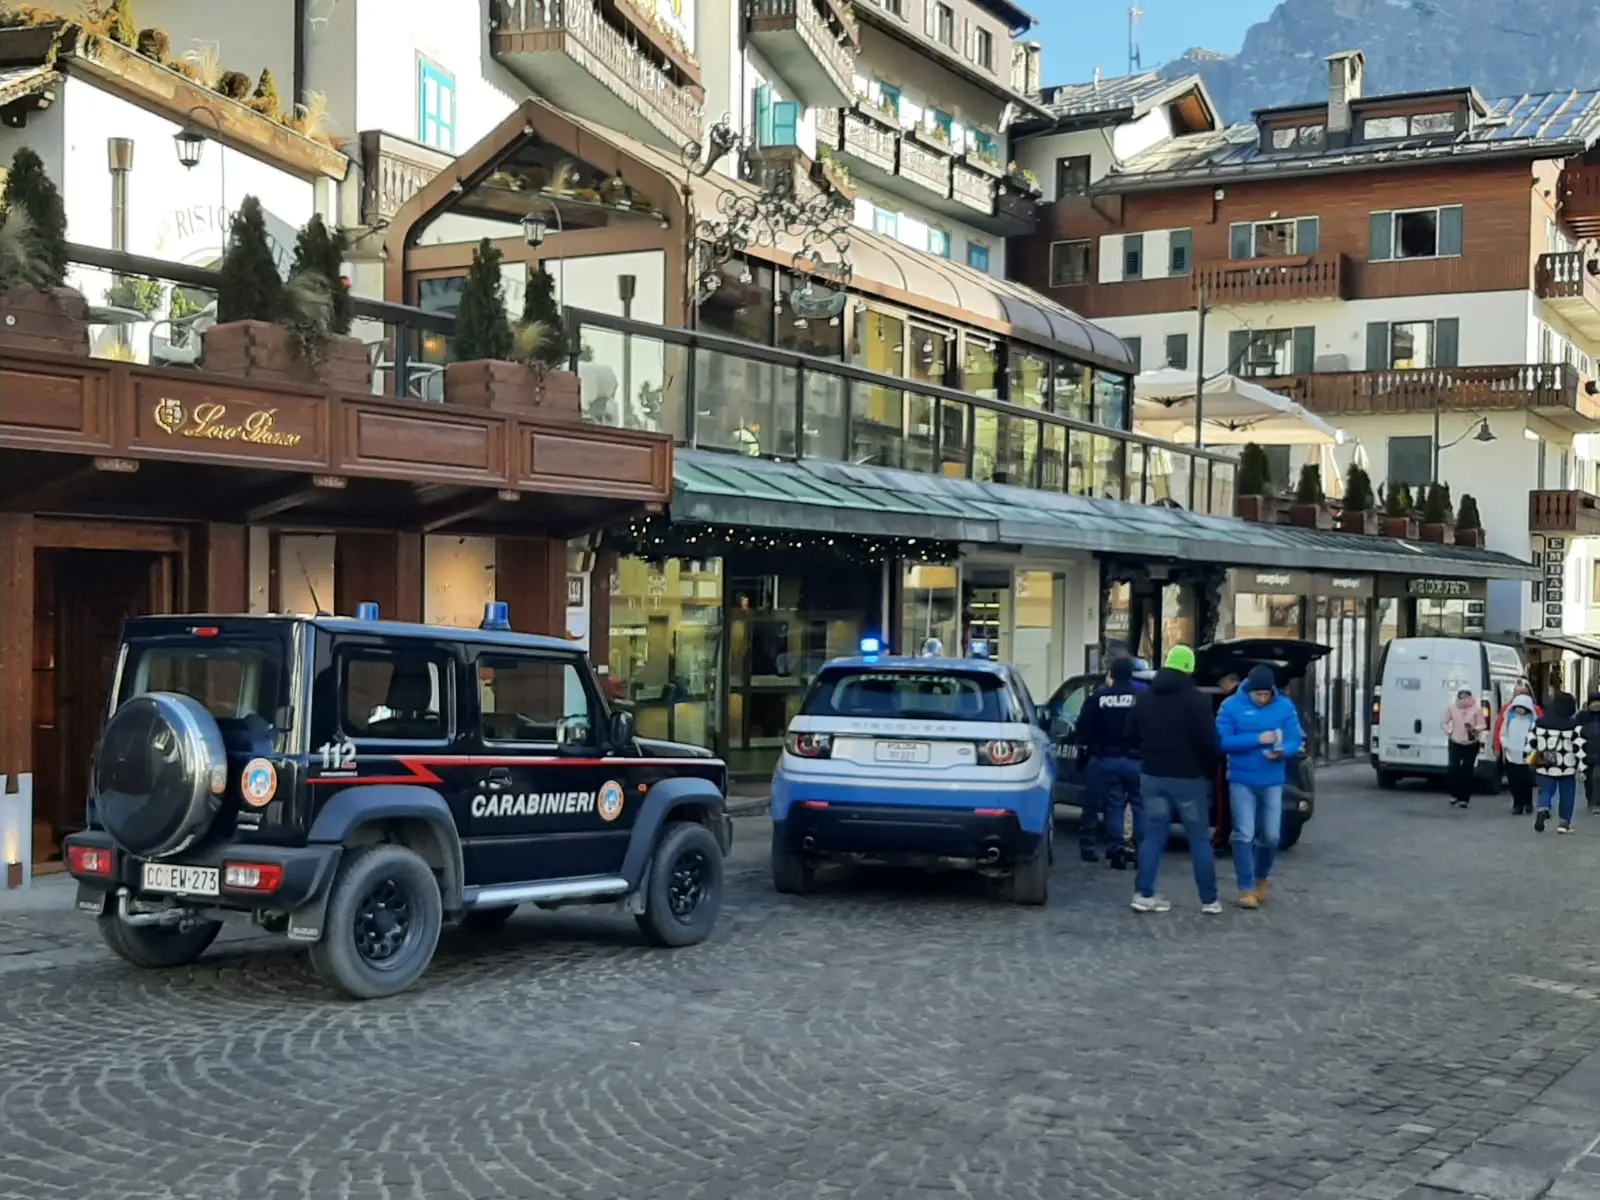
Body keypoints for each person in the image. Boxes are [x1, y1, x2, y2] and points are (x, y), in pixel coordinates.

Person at [1125, 644, 1221, 914]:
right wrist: (1209, 771)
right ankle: (1209, 899)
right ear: (1190, 668)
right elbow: (1208, 742)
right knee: (1199, 839)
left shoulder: (1145, 697)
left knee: (1153, 836)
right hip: (1190, 778)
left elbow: (1129, 733)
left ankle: (1144, 894)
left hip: (1153, 775)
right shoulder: (1197, 699)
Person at [1215, 664, 1305, 909]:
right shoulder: (1231, 706)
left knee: (1272, 835)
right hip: (1241, 779)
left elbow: (1296, 738)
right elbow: (1221, 742)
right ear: (1249, 691)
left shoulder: (1284, 706)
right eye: (1259, 694)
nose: (1263, 698)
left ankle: (1261, 877)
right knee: (1244, 834)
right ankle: (1246, 888)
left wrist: (1283, 751)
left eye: (1267, 694)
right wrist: (1257, 739)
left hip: (1272, 779)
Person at [1073, 657, 1143, 868]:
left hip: (1106, 758)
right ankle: (1142, 850)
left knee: (1112, 805)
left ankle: (1115, 849)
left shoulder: (1100, 697)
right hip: (1136, 760)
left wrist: (1084, 748)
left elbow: (1084, 728)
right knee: (1140, 806)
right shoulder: (1142, 696)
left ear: (1111, 674)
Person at [1530, 692, 1587, 834]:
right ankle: (1564, 823)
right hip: (1566, 762)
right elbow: (1579, 748)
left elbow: (1531, 742)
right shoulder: (1574, 726)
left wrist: (1530, 760)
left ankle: (1543, 807)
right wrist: (1583, 767)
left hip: (1546, 758)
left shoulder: (1540, 723)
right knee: (1567, 793)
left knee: (1545, 789)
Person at [1495, 690, 1541, 816]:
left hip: (1528, 755)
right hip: (1511, 754)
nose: (1520, 710)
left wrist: (1533, 749)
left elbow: (1538, 737)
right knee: (1514, 781)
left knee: (1527, 781)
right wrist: (1506, 745)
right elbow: (1502, 733)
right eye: (1518, 707)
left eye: (1523, 708)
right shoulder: (1509, 718)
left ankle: (1527, 802)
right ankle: (1517, 803)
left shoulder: (1533, 721)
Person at [1442, 690, 1488, 808]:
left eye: (1466, 697)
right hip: (1455, 741)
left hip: (1471, 742)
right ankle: (1454, 794)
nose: (1464, 700)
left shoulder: (1477, 709)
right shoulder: (1452, 708)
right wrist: (1449, 731)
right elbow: (1444, 722)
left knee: (1466, 770)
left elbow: (1483, 724)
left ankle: (1464, 798)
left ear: (1470, 697)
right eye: (1461, 698)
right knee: (1453, 768)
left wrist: (1475, 728)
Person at [1578, 693, 1600, 815]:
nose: (1596, 704)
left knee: (1597, 777)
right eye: (1593, 702)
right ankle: (1590, 799)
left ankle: (1597, 803)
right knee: (1588, 779)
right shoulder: (1582, 717)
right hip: (1586, 753)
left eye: (1598, 701)